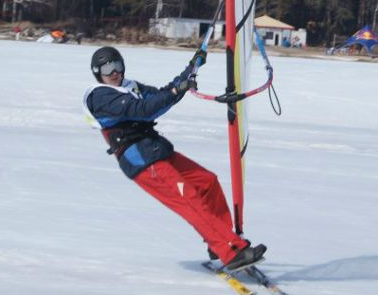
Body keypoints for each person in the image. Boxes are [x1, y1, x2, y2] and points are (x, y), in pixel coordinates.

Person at [82, 46, 266, 272]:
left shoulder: (130, 86)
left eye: (117, 66)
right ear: (97, 73)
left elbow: (162, 95)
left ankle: (220, 241)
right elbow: (143, 109)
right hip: (142, 161)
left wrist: (191, 70)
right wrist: (175, 91)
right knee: (189, 200)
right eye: (107, 69)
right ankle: (231, 250)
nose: (114, 73)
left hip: (155, 150)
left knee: (207, 182)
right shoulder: (100, 96)